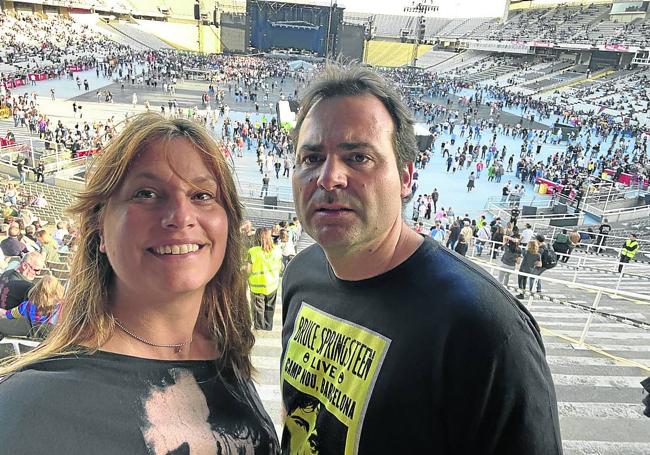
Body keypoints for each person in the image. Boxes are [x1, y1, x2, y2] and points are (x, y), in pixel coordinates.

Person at [281, 65, 561, 454]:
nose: (329, 178)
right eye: (311, 158)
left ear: (406, 178)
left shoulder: (484, 328)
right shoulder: (300, 275)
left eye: (358, 157)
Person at [0, 113, 279, 453]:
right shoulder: (24, 411)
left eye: (202, 195)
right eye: (146, 193)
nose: (181, 216)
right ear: (100, 227)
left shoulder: (227, 358)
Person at [246, 227, 282, 331]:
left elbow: (249, 270)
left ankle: (260, 330)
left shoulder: (253, 251)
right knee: (270, 308)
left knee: (258, 310)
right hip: (273, 285)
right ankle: (268, 327)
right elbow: (280, 266)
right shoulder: (277, 250)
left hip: (257, 286)